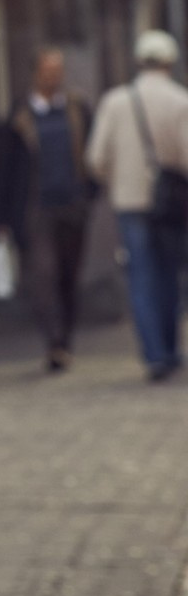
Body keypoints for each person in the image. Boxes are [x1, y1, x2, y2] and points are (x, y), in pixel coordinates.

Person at [87, 30, 188, 382]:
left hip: (130, 201)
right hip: (171, 204)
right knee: (169, 275)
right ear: (170, 61)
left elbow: (96, 157)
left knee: (142, 277)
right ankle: (171, 349)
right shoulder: (180, 100)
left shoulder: (115, 102)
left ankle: (154, 355)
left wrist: (120, 180)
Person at [0, 48, 96, 372]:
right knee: (43, 275)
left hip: (73, 204)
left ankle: (66, 339)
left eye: (57, 71)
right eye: (47, 71)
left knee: (68, 276)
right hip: (36, 208)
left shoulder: (77, 110)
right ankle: (53, 343)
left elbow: (93, 153)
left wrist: (90, 193)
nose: (53, 77)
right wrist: (1, 217)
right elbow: (4, 168)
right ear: (36, 73)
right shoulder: (18, 117)